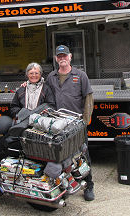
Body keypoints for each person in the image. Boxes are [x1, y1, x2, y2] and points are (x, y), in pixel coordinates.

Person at [46, 45, 95, 201]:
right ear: (56, 58)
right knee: (61, 156)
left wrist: (84, 122)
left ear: (70, 57)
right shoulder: (51, 77)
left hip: (76, 125)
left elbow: (88, 98)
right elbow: (44, 95)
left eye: (64, 56)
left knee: (83, 155)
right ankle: (65, 185)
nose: (62, 58)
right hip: (58, 125)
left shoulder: (80, 76)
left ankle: (89, 185)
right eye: (59, 56)